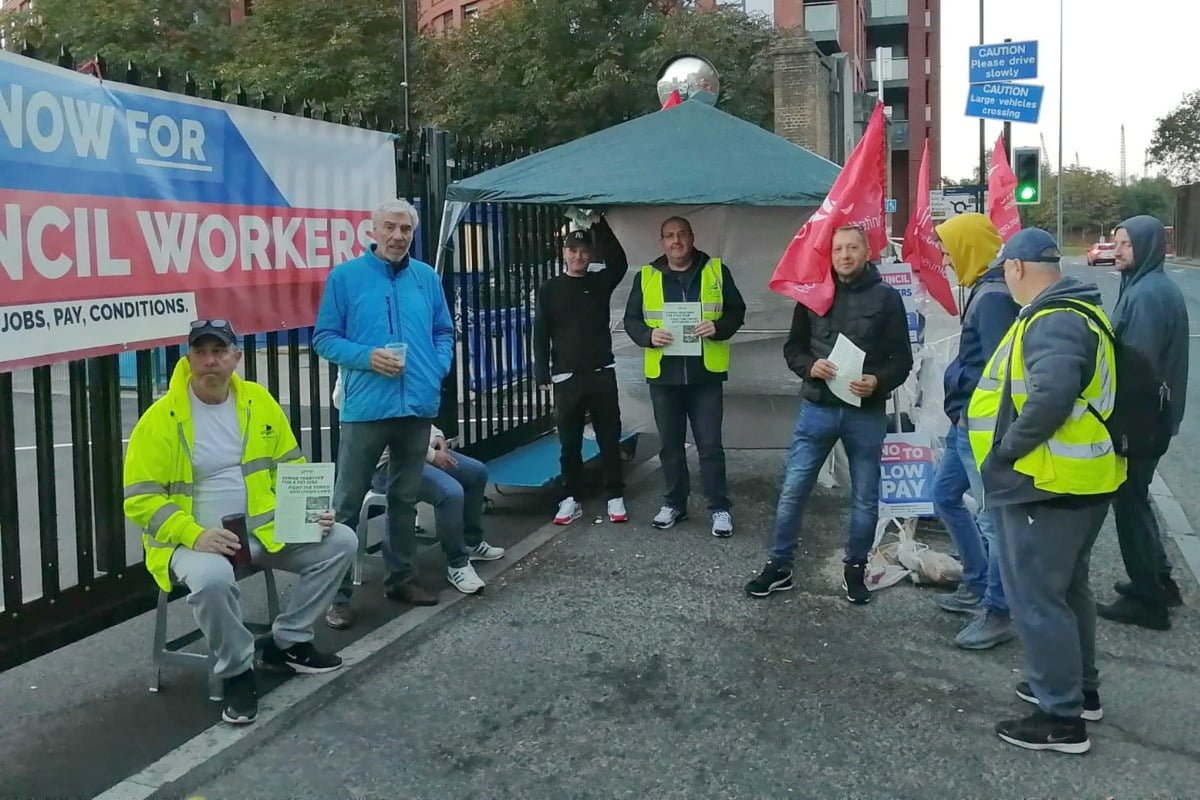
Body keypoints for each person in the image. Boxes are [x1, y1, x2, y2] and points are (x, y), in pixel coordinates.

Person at [123, 320, 357, 726]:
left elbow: (291, 466)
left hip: (260, 530)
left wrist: (311, 510)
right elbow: (140, 500)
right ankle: (236, 670)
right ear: (188, 358)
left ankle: (288, 642)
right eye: (200, 352)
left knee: (342, 541)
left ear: (236, 357)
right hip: (191, 542)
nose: (209, 361)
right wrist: (193, 534)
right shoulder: (161, 418)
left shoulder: (258, 402)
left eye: (219, 351)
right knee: (213, 579)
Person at [968, 228, 1126, 754]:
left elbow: (1052, 392)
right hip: (1081, 481)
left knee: (1036, 598)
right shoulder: (1079, 309)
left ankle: (1060, 717)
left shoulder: (1052, 317)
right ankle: (1078, 690)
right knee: (1067, 590)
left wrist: (1006, 451)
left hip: (1045, 481)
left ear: (1015, 268)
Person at [313, 198, 464, 633]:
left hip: (416, 405)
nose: (399, 236)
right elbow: (324, 338)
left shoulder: (426, 278)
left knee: (404, 499)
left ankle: (401, 579)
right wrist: (365, 357)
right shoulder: (345, 278)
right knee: (344, 505)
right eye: (391, 228)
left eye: (406, 230)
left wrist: (436, 367)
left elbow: (443, 330)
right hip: (366, 409)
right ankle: (335, 595)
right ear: (373, 231)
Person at [744, 225, 913, 605]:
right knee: (792, 490)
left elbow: (902, 358)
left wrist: (878, 380)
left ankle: (855, 570)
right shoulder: (813, 293)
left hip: (865, 413)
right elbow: (793, 348)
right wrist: (810, 366)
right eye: (838, 249)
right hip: (818, 408)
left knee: (866, 498)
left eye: (852, 247)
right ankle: (780, 566)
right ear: (830, 254)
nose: (845, 255)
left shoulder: (886, 298)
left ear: (867, 252)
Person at [328, 372, 505, 617]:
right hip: (384, 462)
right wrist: (433, 455)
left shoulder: (411, 362)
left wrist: (437, 437)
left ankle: (470, 542)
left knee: (475, 473)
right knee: (448, 493)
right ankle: (457, 563)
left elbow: (416, 409)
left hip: (417, 449)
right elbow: (354, 405)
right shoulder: (360, 372)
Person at [623, 216, 747, 537]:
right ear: (661, 242)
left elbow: (737, 310)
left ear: (692, 237)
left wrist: (718, 328)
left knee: (710, 446)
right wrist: (648, 336)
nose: (675, 241)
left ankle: (719, 508)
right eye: (669, 236)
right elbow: (632, 320)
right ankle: (675, 503)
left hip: (705, 376)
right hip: (664, 376)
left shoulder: (716, 270)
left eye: (681, 235)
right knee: (670, 446)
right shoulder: (647, 276)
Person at [928, 213, 1019, 648]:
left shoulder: (995, 297)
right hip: (966, 422)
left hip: (980, 428)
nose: (944, 257)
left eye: (948, 248)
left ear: (967, 247)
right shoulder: (986, 289)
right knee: (945, 497)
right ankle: (980, 583)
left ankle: (998, 609)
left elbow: (1000, 373)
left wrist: (974, 414)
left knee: (992, 520)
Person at [1097, 215, 1189, 630]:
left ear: (1149, 248)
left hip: (1142, 420)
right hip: (1152, 418)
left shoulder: (1148, 295)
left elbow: (1135, 365)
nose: (1117, 251)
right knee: (1135, 498)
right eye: (1116, 243)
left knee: (1129, 502)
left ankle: (1148, 600)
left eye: (1126, 245)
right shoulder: (1144, 286)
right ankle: (1160, 580)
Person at [533, 213, 629, 526]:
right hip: (566, 376)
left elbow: (620, 262)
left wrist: (598, 223)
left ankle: (614, 494)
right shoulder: (549, 289)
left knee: (609, 436)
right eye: (572, 250)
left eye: (583, 251)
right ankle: (570, 496)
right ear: (564, 253)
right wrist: (542, 373)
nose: (578, 256)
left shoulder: (600, 281)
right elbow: (540, 332)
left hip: (601, 371)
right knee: (569, 442)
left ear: (590, 254)